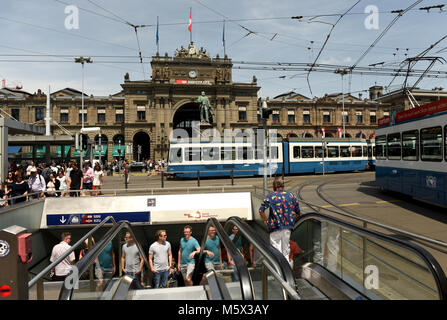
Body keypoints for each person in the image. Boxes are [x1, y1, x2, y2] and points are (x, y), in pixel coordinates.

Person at [259, 177, 300, 263]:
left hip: (275, 227)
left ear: (275, 186)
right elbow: (298, 213)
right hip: (287, 227)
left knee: (276, 252)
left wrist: (266, 221)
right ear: (282, 185)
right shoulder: (291, 195)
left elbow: (261, 210)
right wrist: (292, 220)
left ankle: (279, 273)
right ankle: (286, 272)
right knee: (286, 251)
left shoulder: (271, 196)